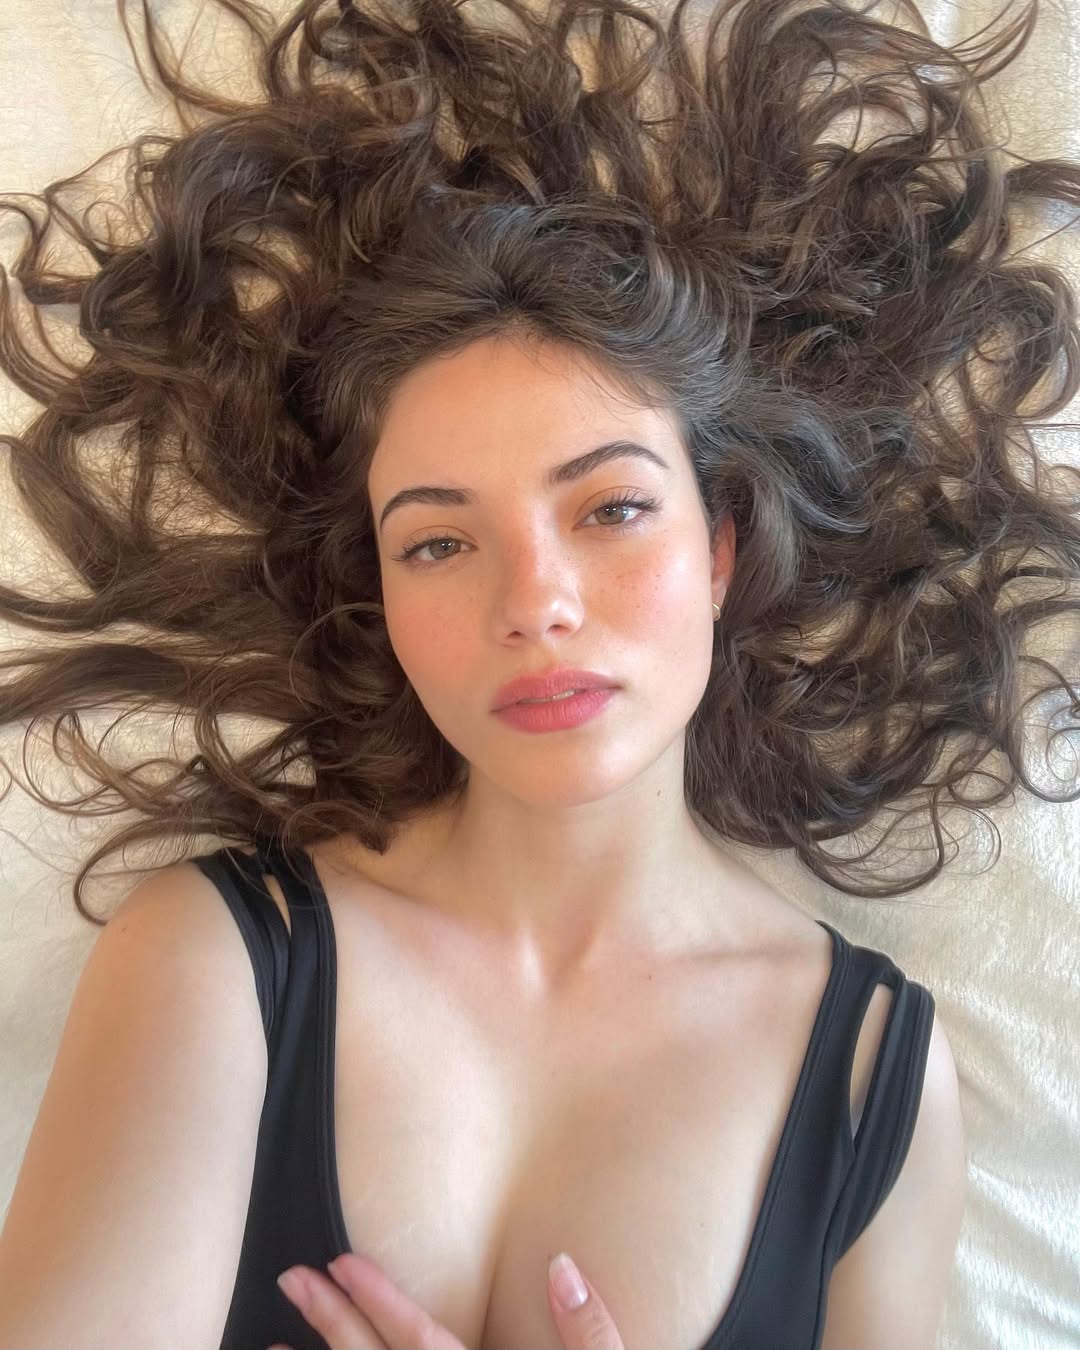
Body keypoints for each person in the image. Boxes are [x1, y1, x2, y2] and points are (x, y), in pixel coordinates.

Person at [0, 0, 1076, 1346]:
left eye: (611, 508)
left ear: (721, 547)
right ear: (384, 597)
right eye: (440, 541)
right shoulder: (212, 963)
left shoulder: (876, 1088)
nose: (537, 606)